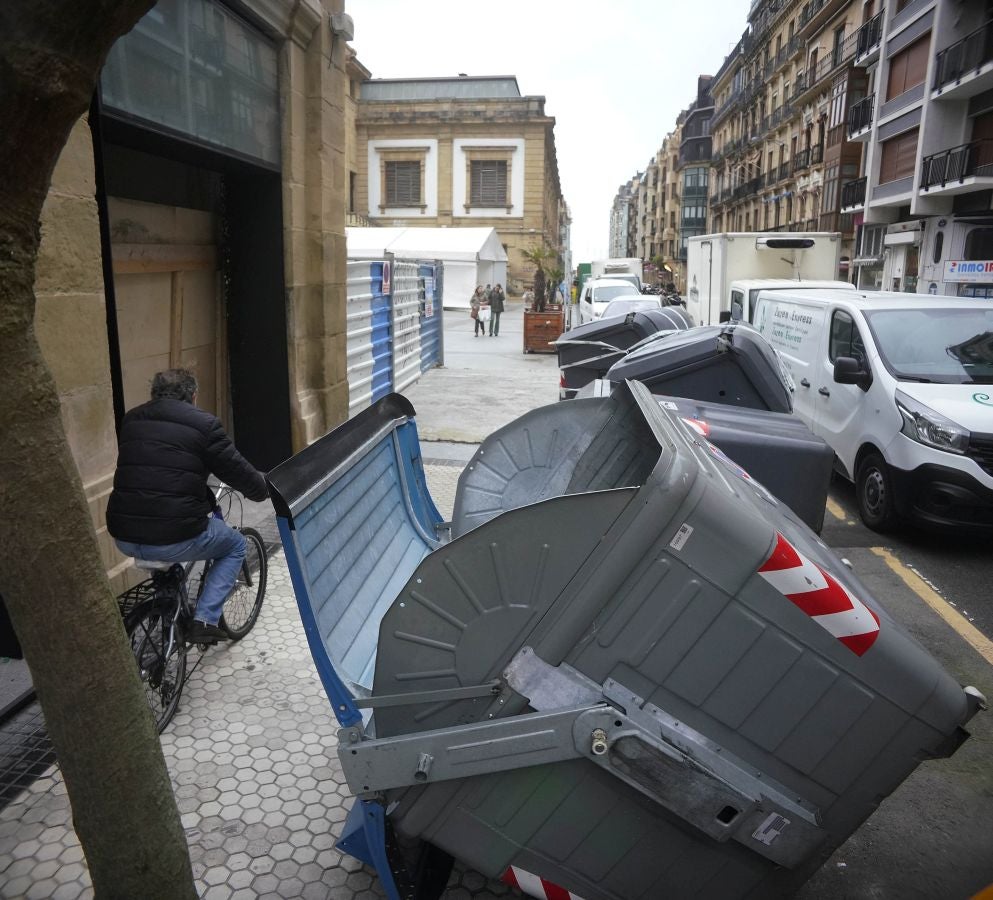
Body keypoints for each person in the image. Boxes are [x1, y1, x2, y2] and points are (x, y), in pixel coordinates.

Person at [106, 368, 269, 643]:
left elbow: (155, 468)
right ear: (193, 396)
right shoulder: (204, 425)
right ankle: (204, 619)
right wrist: (263, 490)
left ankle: (168, 604)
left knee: (167, 530)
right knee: (235, 545)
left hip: (123, 534)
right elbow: (237, 470)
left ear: (153, 395)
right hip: (172, 534)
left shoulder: (132, 420)